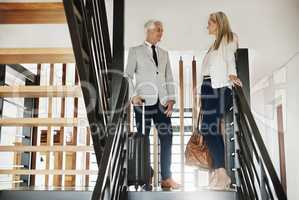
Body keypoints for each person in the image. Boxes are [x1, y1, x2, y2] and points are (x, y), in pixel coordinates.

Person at [125, 19, 180, 191]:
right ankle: (145, 175)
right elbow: (127, 76)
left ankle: (166, 177)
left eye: (162, 30)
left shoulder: (164, 53)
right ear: (148, 31)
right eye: (158, 30)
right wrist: (133, 96)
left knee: (167, 137)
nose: (161, 33)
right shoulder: (135, 51)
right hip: (142, 102)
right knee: (143, 139)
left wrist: (171, 99)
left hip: (162, 103)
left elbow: (169, 77)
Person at [198, 11, 242, 190]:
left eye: (210, 23)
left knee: (209, 126)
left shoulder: (229, 37)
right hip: (208, 88)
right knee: (208, 128)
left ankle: (222, 174)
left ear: (218, 23)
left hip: (220, 87)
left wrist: (232, 74)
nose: (207, 26)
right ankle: (218, 172)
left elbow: (230, 56)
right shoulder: (213, 45)